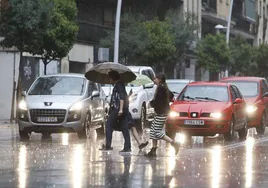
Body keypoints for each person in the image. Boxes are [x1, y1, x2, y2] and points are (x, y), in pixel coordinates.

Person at [146, 73, 180, 157]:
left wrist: (151, 103)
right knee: (153, 130)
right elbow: (171, 95)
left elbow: (158, 101)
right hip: (160, 112)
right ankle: (153, 150)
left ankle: (174, 143)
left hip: (161, 113)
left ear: (159, 79)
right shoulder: (162, 87)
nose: (154, 80)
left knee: (157, 132)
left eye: (155, 79)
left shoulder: (161, 88)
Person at [100, 70, 131, 153]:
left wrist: (120, 109)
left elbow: (121, 97)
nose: (109, 80)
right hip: (123, 109)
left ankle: (108, 145)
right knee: (124, 127)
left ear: (112, 78)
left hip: (118, 109)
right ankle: (127, 147)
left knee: (109, 124)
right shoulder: (119, 84)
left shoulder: (119, 85)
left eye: (109, 78)